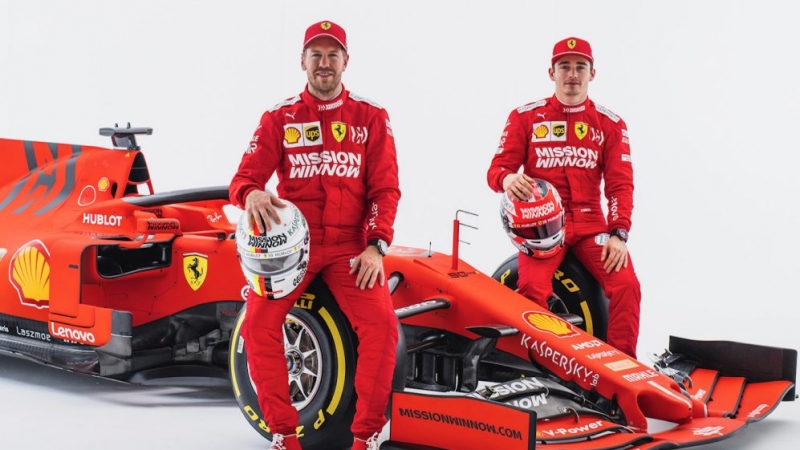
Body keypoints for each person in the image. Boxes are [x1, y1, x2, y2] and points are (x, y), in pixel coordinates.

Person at [229, 20, 401, 450]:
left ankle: (365, 436)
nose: (324, 63)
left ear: (346, 61)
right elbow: (242, 181)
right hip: (292, 249)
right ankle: (284, 433)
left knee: (382, 328)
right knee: (257, 325)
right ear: (302, 61)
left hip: (351, 248)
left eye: (332, 55)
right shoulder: (279, 117)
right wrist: (251, 194)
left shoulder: (371, 117)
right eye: (316, 55)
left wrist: (376, 246)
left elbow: (385, 189)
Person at [486, 37, 641, 358]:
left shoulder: (611, 125)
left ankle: (622, 368)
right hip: (542, 227)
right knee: (531, 290)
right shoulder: (525, 117)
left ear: (592, 74)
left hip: (591, 225)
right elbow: (496, 171)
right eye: (564, 66)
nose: (572, 74)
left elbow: (620, 186)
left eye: (580, 67)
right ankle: (542, 366)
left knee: (627, 285)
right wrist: (507, 178)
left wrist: (619, 233)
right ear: (551, 72)